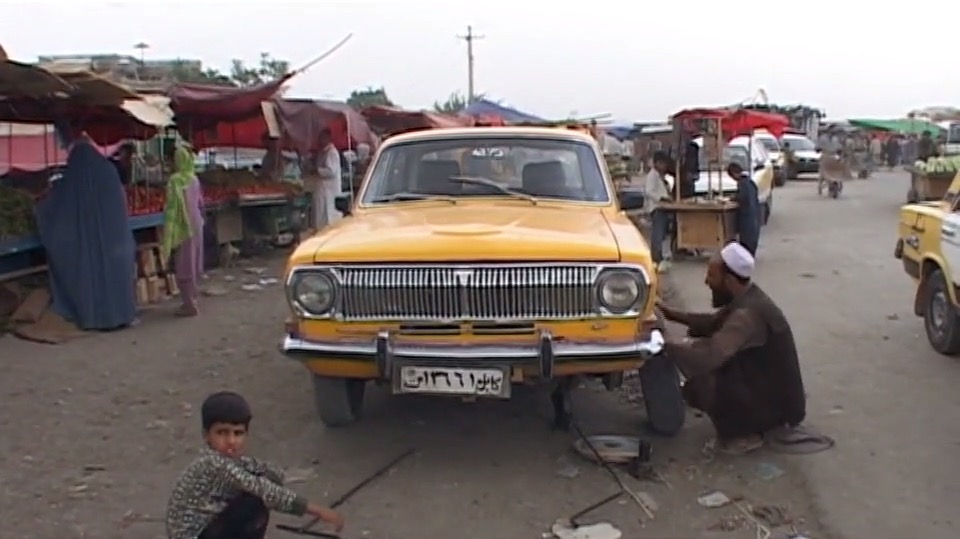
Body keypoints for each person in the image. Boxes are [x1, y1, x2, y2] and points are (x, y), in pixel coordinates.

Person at [658, 242, 806, 455]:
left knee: (703, 378)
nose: (706, 281)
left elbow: (709, 355)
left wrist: (664, 342)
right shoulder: (749, 297)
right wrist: (670, 314)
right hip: (775, 396)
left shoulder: (747, 315)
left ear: (728, 280)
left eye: (712, 276)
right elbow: (714, 322)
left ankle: (746, 434)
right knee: (702, 368)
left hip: (775, 409)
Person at [166, 392, 344, 539]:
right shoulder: (213, 463)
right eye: (222, 433)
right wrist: (318, 511)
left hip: (210, 528)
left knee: (264, 485)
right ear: (206, 435)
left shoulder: (232, 460)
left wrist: (278, 477)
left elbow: (265, 470)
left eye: (238, 433)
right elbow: (263, 489)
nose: (231, 441)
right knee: (255, 501)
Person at [35, 126, 138, 330]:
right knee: (116, 276)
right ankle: (122, 315)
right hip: (116, 244)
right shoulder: (109, 172)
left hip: (90, 247)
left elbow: (57, 209)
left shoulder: (72, 179)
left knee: (87, 273)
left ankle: (93, 318)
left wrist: (40, 208)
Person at [162, 144, 205, 317]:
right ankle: (193, 299)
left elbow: (172, 209)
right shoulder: (194, 179)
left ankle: (189, 305)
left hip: (183, 227)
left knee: (183, 265)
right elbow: (201, 203)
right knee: (193, 263)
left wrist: (168, 234)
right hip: (196, 224)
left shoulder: (175, 181)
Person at [307, 128, 343, 230]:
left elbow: (331, 171)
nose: (319, 140)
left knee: (329, 216)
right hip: (321, 189)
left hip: (329, 190)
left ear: (327, 138)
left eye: (321, 137)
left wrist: (317, 170)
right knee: (320, 215)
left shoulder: (332, 152)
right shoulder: (322, 152)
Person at [643, 151, 673, 268]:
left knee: (661, 233)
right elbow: (649, 191)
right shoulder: (652, 175)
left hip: (661, 207)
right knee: (657, 233)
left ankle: (659, 255)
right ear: (657, 163)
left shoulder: (660, 176)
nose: (664, 166)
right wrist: (661, 198)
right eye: (663, 164)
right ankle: (656, 257)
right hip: (656, 207)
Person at [726, 162, 760, 256]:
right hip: (754, 214)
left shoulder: (743, 183)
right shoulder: (750, 182)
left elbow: (742, 197)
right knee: (752, 236)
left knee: (746, 237)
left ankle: (747, 255)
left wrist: (732, 198)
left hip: (747, 215)